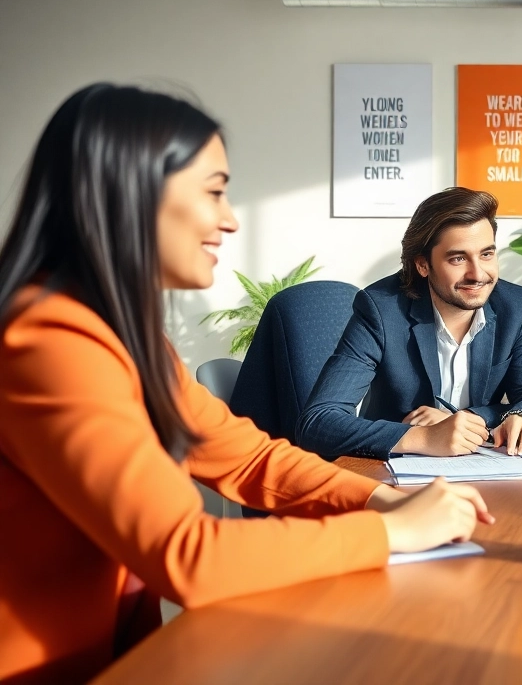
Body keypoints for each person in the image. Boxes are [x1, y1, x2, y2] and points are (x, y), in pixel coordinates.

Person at [0, 84, 493, 683]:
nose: (230, 219)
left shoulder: (124, 338)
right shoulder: (46, 341)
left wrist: (382, 497)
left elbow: (250, 457)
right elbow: (190, 557)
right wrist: (390, 530)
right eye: (213, 192)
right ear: (133, 193)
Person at [298, 188, 522, 459]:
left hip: (486, 466)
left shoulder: (513, 304)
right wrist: (423, 437)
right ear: (423, 265)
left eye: (487, 254)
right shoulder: (381, 310)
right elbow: (318, 422)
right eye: (458, 258)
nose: (478, 274)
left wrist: (502, 416)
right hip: (395, 475)